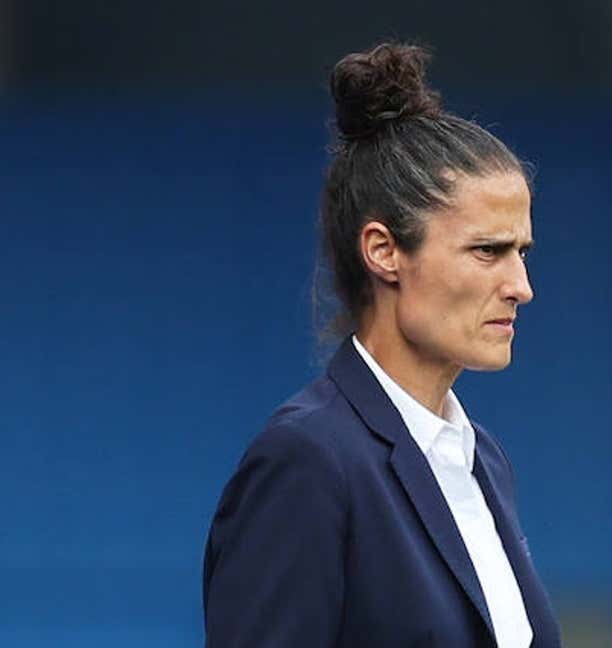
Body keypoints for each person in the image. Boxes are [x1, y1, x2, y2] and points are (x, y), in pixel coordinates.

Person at [202, 42, 561, 648]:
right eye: (487, 251)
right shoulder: (308, 459)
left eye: (521, 252)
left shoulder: (484, 460)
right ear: (383, 251)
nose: (521, 287)